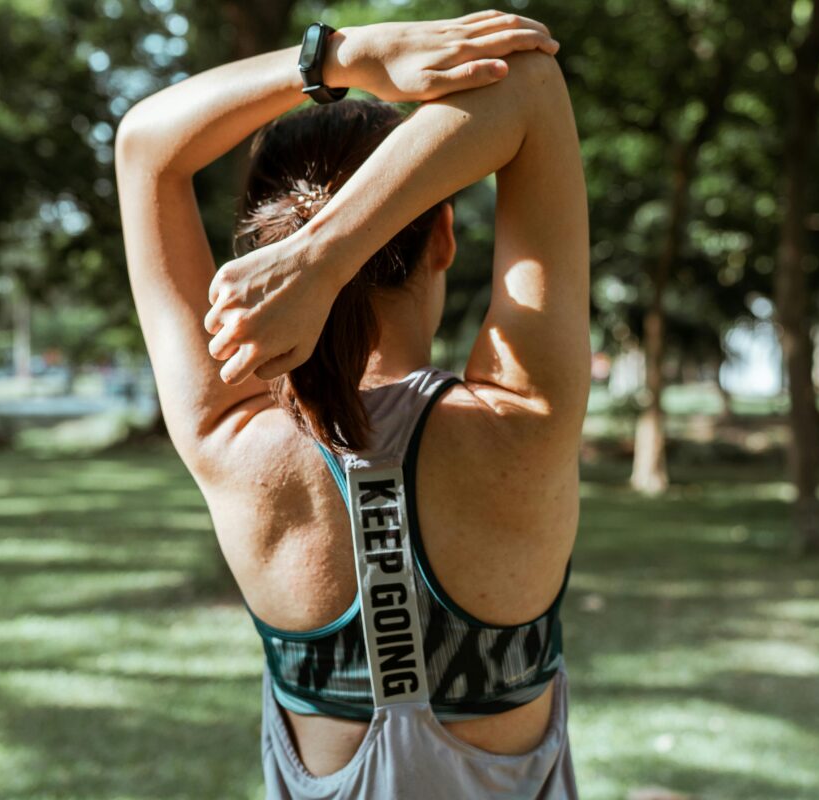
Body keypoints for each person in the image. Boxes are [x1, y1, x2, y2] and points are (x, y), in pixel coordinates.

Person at [115, 10, 588, 798]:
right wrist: (323, 259)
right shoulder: (523, 419)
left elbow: (145, 148)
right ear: (443, 237)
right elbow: (531, 85)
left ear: (257, 249)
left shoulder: (231, 441)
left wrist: (341, 57)